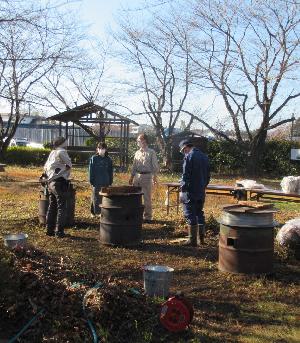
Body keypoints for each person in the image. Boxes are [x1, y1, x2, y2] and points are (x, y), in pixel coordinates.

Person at [179, 139, 210, 246]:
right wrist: (202, 187)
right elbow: (207, 176)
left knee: (190, 214)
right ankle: (201, 239)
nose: (184, 153)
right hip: (201, 191)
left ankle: (192, 241)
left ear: (185, 148)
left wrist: (183, 190)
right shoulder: (204, 157)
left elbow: (185, 175)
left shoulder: (189, 157)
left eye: (183, 151)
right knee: (199, 213)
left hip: (190, 191)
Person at [43, 136, 72, 238]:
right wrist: (62, 173)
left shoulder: (52, 152)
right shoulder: (62, 152)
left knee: (52, 206)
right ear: (62, 143)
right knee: (61, 207)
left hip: (50, 183)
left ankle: (49, 230)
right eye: (65, 141)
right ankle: (59, 232)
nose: (67, 143)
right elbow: (69, 165)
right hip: (59, 182)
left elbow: (45, 167)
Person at [129, 133, 159, 223]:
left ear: (144, 141)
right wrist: (131, 177)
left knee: (146, 197)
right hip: (137, 177)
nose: (138, 142)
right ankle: (136, 215)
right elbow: (134, 166)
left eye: (139, 140)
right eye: (137, 140)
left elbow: (155, 166)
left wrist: (154, 178)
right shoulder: (137, 153)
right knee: (135, 197)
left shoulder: (151, 152)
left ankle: (148, 217)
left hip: (146, 176)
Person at [89, 142, 113, 216]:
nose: (101, 150)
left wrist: (110, 180)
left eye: (103, 149)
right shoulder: (94, 158)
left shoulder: (108, 159)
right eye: (100, 148)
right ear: (97, 149)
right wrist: (91, 180)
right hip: (96, 180)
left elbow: (110, 171)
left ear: (105, 149)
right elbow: (91, 170)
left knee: (104, 196)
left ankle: (103, 211)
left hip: (105, 180)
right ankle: (95, 212)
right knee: (95, 196)